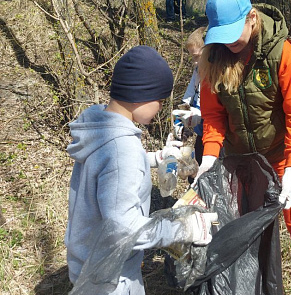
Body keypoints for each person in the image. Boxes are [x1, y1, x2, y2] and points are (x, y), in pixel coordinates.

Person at [196, 0, 291, 294]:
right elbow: (213, 117)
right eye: (222, 35)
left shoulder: (281, 53)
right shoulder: (213, 57)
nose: (230, 42)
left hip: (282, 159)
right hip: (242, 166)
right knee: (248, 241)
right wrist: (209, 157)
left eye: (235, 32)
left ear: (252, 18)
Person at [65, 46, 217, 294]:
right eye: (159, 99)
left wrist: (155, 158)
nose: (159, 108)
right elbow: (124, 229)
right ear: (140, 95)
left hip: (87, 259)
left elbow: (109, 169)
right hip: (112, 278)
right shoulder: (121, 149)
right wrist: (183, 229)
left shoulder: (99, 129)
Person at [172, 26, 207, 173]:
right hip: (200, 132)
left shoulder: (214, 75)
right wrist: (181, 116)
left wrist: (199, 115)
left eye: (197, 57)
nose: (194, 62)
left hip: (213, 133)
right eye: (192, 57)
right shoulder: (197, 71)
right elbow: (188, 95)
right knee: (197, 164)